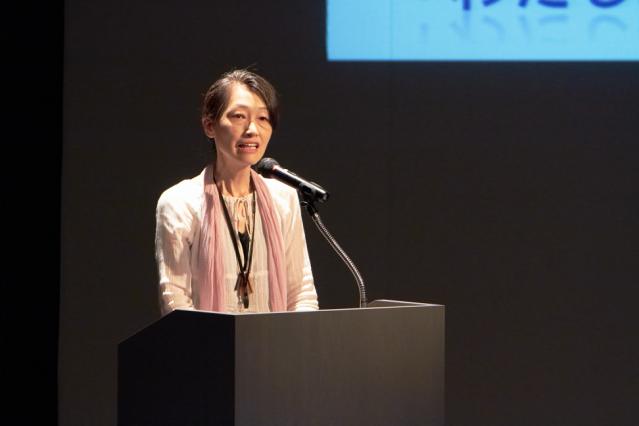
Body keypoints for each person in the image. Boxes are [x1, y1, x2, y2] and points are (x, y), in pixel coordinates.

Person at [154, 69, 319, 315]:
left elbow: (301, 292)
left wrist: (298, 337)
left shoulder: (283, 197)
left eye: (263, 118)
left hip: (277, 339)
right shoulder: (180, 202)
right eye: (239, 116)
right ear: (209, 126)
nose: (252, 129)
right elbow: (175, 301)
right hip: (206, 339)